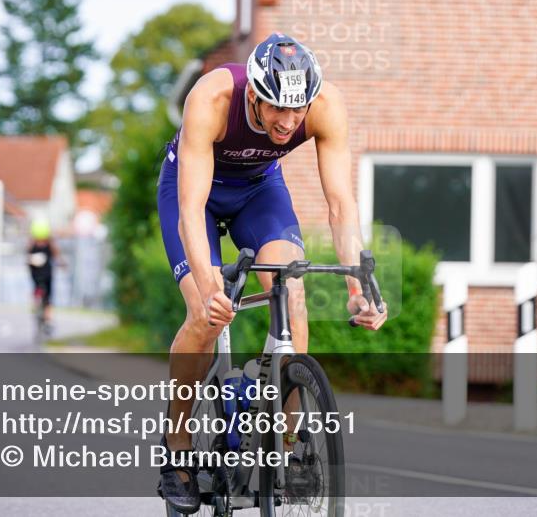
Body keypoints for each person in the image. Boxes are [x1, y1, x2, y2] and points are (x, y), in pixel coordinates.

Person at [156, 33, 387, 513]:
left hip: (259, 192)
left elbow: (341, 203)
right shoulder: (212, 97)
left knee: (291, 291)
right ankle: (176, 446)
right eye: (275, 108)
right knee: (206, 311)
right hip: (195, 193)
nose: (287, 122)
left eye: (296, 110)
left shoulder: (324, 105)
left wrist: (356, 286)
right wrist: (207, 283)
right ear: (254, 95)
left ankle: (285, 446)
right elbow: (190, 205)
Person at [26, 218, 64, 331]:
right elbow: (57, 257)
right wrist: (62, 264)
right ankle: (47, 319)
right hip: (46, 275)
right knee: (48, 298)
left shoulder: (32, 244)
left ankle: (37, 305)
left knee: (38, 290)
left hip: (37, 275)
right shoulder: (50, 244)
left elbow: (27, 257)